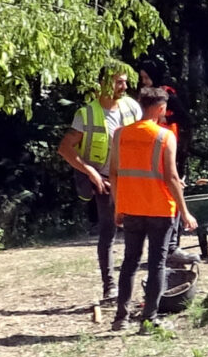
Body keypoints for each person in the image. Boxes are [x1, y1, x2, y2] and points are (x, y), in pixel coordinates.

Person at [106, 87, 197, 331]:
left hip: (131, 208)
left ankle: (121, 318)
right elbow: (172, 177)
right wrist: (185, 212)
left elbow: (114, 173)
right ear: (160, 108)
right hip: (160, 209)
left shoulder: (120, 134)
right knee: (157, 263)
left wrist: (118, 206)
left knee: (130, 262)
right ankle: (149, 319)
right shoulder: (165, 136)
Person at [58, 64, 140, 300]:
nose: (124, 86)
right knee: (108, 231)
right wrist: (91, 172)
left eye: (125, 81)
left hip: (131, 179)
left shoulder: (132, 107)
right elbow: (65, 148)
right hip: (104, 182)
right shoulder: (86, 114)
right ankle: (110, 286)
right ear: (103, 84)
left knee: (137, 230)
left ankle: (132, 284)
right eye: (119, 81)